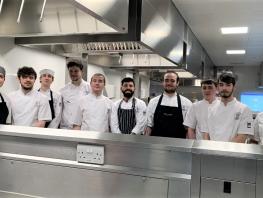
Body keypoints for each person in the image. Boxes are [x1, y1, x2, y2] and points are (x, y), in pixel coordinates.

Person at [202, 72, 254, 143]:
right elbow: (206, 134)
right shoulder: (210, 108)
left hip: (233, 153)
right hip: (212, 151)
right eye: (221, 85)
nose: (224, 88)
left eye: (228, 85)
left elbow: (242, 137)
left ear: (234, 87)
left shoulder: (244, 109)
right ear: (217, 87)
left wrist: (222, 151)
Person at [144, 71, 192, 138]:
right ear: (163, 83)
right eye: (166, 80)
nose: (169, 83)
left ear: (177, 83)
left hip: (179, 145)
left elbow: (188, 129)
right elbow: (149, 127)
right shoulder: (153, 102)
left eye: (172, 81)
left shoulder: (186, 103)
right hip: (156, 145)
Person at [60, 61, 89, 129]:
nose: (73, 73)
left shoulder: (89, 88)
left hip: (83, 128)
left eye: (76, 71)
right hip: (65, 128)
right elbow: (60, 111)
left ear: (81, 72)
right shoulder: (63, 90)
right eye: (71, 71)